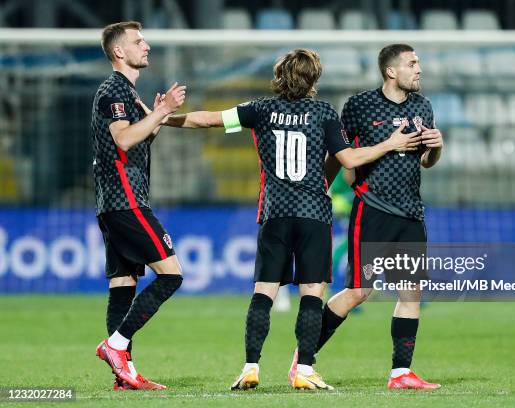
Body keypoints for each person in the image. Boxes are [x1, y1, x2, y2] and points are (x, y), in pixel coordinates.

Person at [140, 48, 420, 390]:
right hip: (314, 214)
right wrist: (390, 144)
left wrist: (162, 118)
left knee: (263, 293)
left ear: (279, 76)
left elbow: (207, 120)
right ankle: (303, 368)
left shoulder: (260, 110)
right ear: (313, 79)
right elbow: (349, 159)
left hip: (275, 213)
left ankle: (250, 366)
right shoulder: (323, 113)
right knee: (312, 293)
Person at [305, 43, 444, 390]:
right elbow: (340, 153)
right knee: (358, 291)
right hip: (373, 210)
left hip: (410, 212)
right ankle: (303, 356)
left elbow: (426, 161)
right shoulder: (360, 105)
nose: (419, 69)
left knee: (410, 293)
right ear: (391, 71)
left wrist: (437, 147)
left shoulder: (423, 107)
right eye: (412, 63)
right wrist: (321, 186)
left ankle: (400, 373)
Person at [91, 21, 186, 390]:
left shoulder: (128, 93)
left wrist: (157, 113)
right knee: (172, 274)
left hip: (112, 202)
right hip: (126, 201)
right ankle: (115, 346)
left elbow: (140, 136)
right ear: (119, 52)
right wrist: (162, 112)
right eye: (138, 41)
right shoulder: (114, 90)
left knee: (123, 282)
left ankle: (122, 376)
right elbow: (126, 139)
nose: (145, 45)